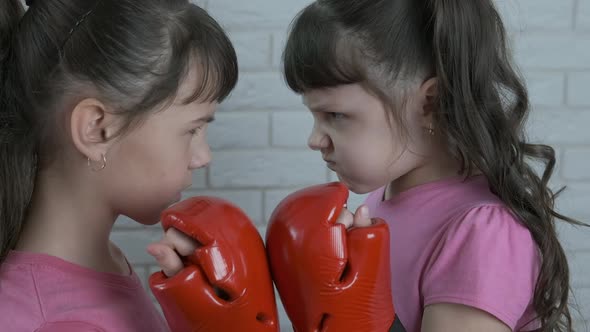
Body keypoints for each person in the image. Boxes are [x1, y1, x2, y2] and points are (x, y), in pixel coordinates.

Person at [281, 0, 587, 331]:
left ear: (430, 102)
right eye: (314, 115)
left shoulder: (482, 233)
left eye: (335, 115)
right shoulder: (384, 199)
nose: (315, 139)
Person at [0, 0, 237, 330]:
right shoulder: (60, 322)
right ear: (97, 129)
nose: (203, 157)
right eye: (192, 130)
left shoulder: (100, 263)